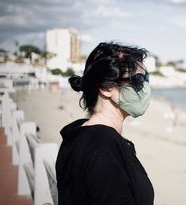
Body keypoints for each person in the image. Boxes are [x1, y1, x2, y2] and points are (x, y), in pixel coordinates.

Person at [55, 42, 154, 205]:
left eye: (146, 78)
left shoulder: (80, 134)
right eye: (138, 79)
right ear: (106, 88)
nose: (145, 87)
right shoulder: (103, 148)